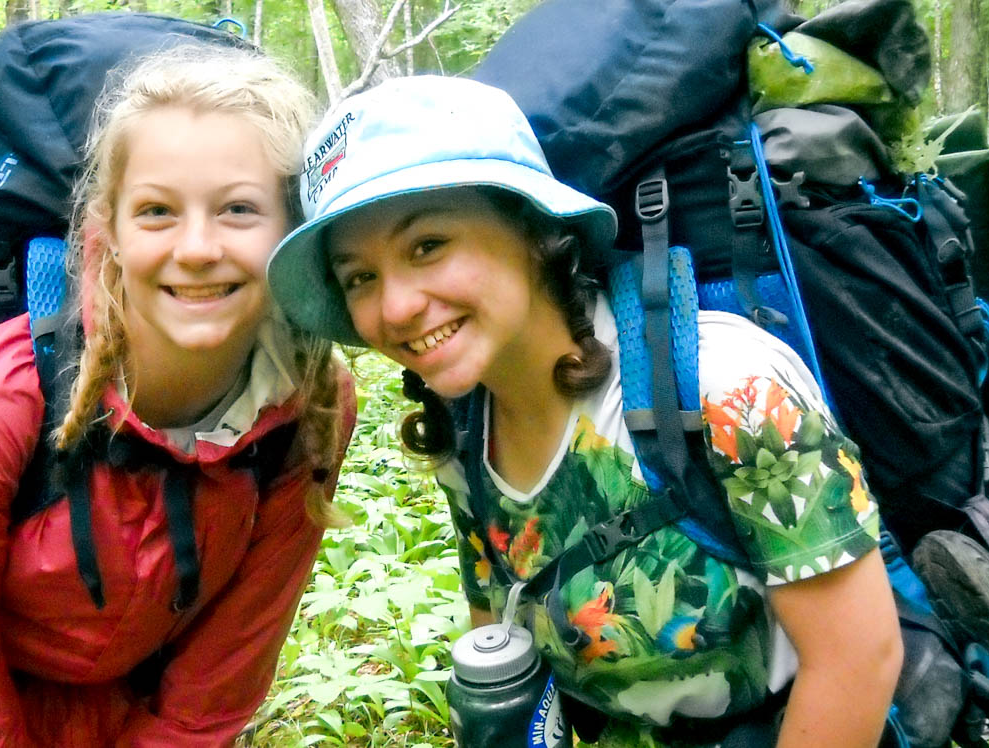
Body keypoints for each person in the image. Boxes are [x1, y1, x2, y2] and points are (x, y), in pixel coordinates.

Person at [268, 75, 901, 746]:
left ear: (532, 228)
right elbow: (500, 633)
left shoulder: (727, 389)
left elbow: (857, 662)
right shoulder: (468, 434)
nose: (394, 308)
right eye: (359, 277)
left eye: (428, 246)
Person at [0, 43, 354, 745]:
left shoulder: (310, 401)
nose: (198, 247)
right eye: (156, 212)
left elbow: (229, 662)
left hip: (122, 711)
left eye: (240, 208)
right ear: (105, 235)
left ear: (295, 230)